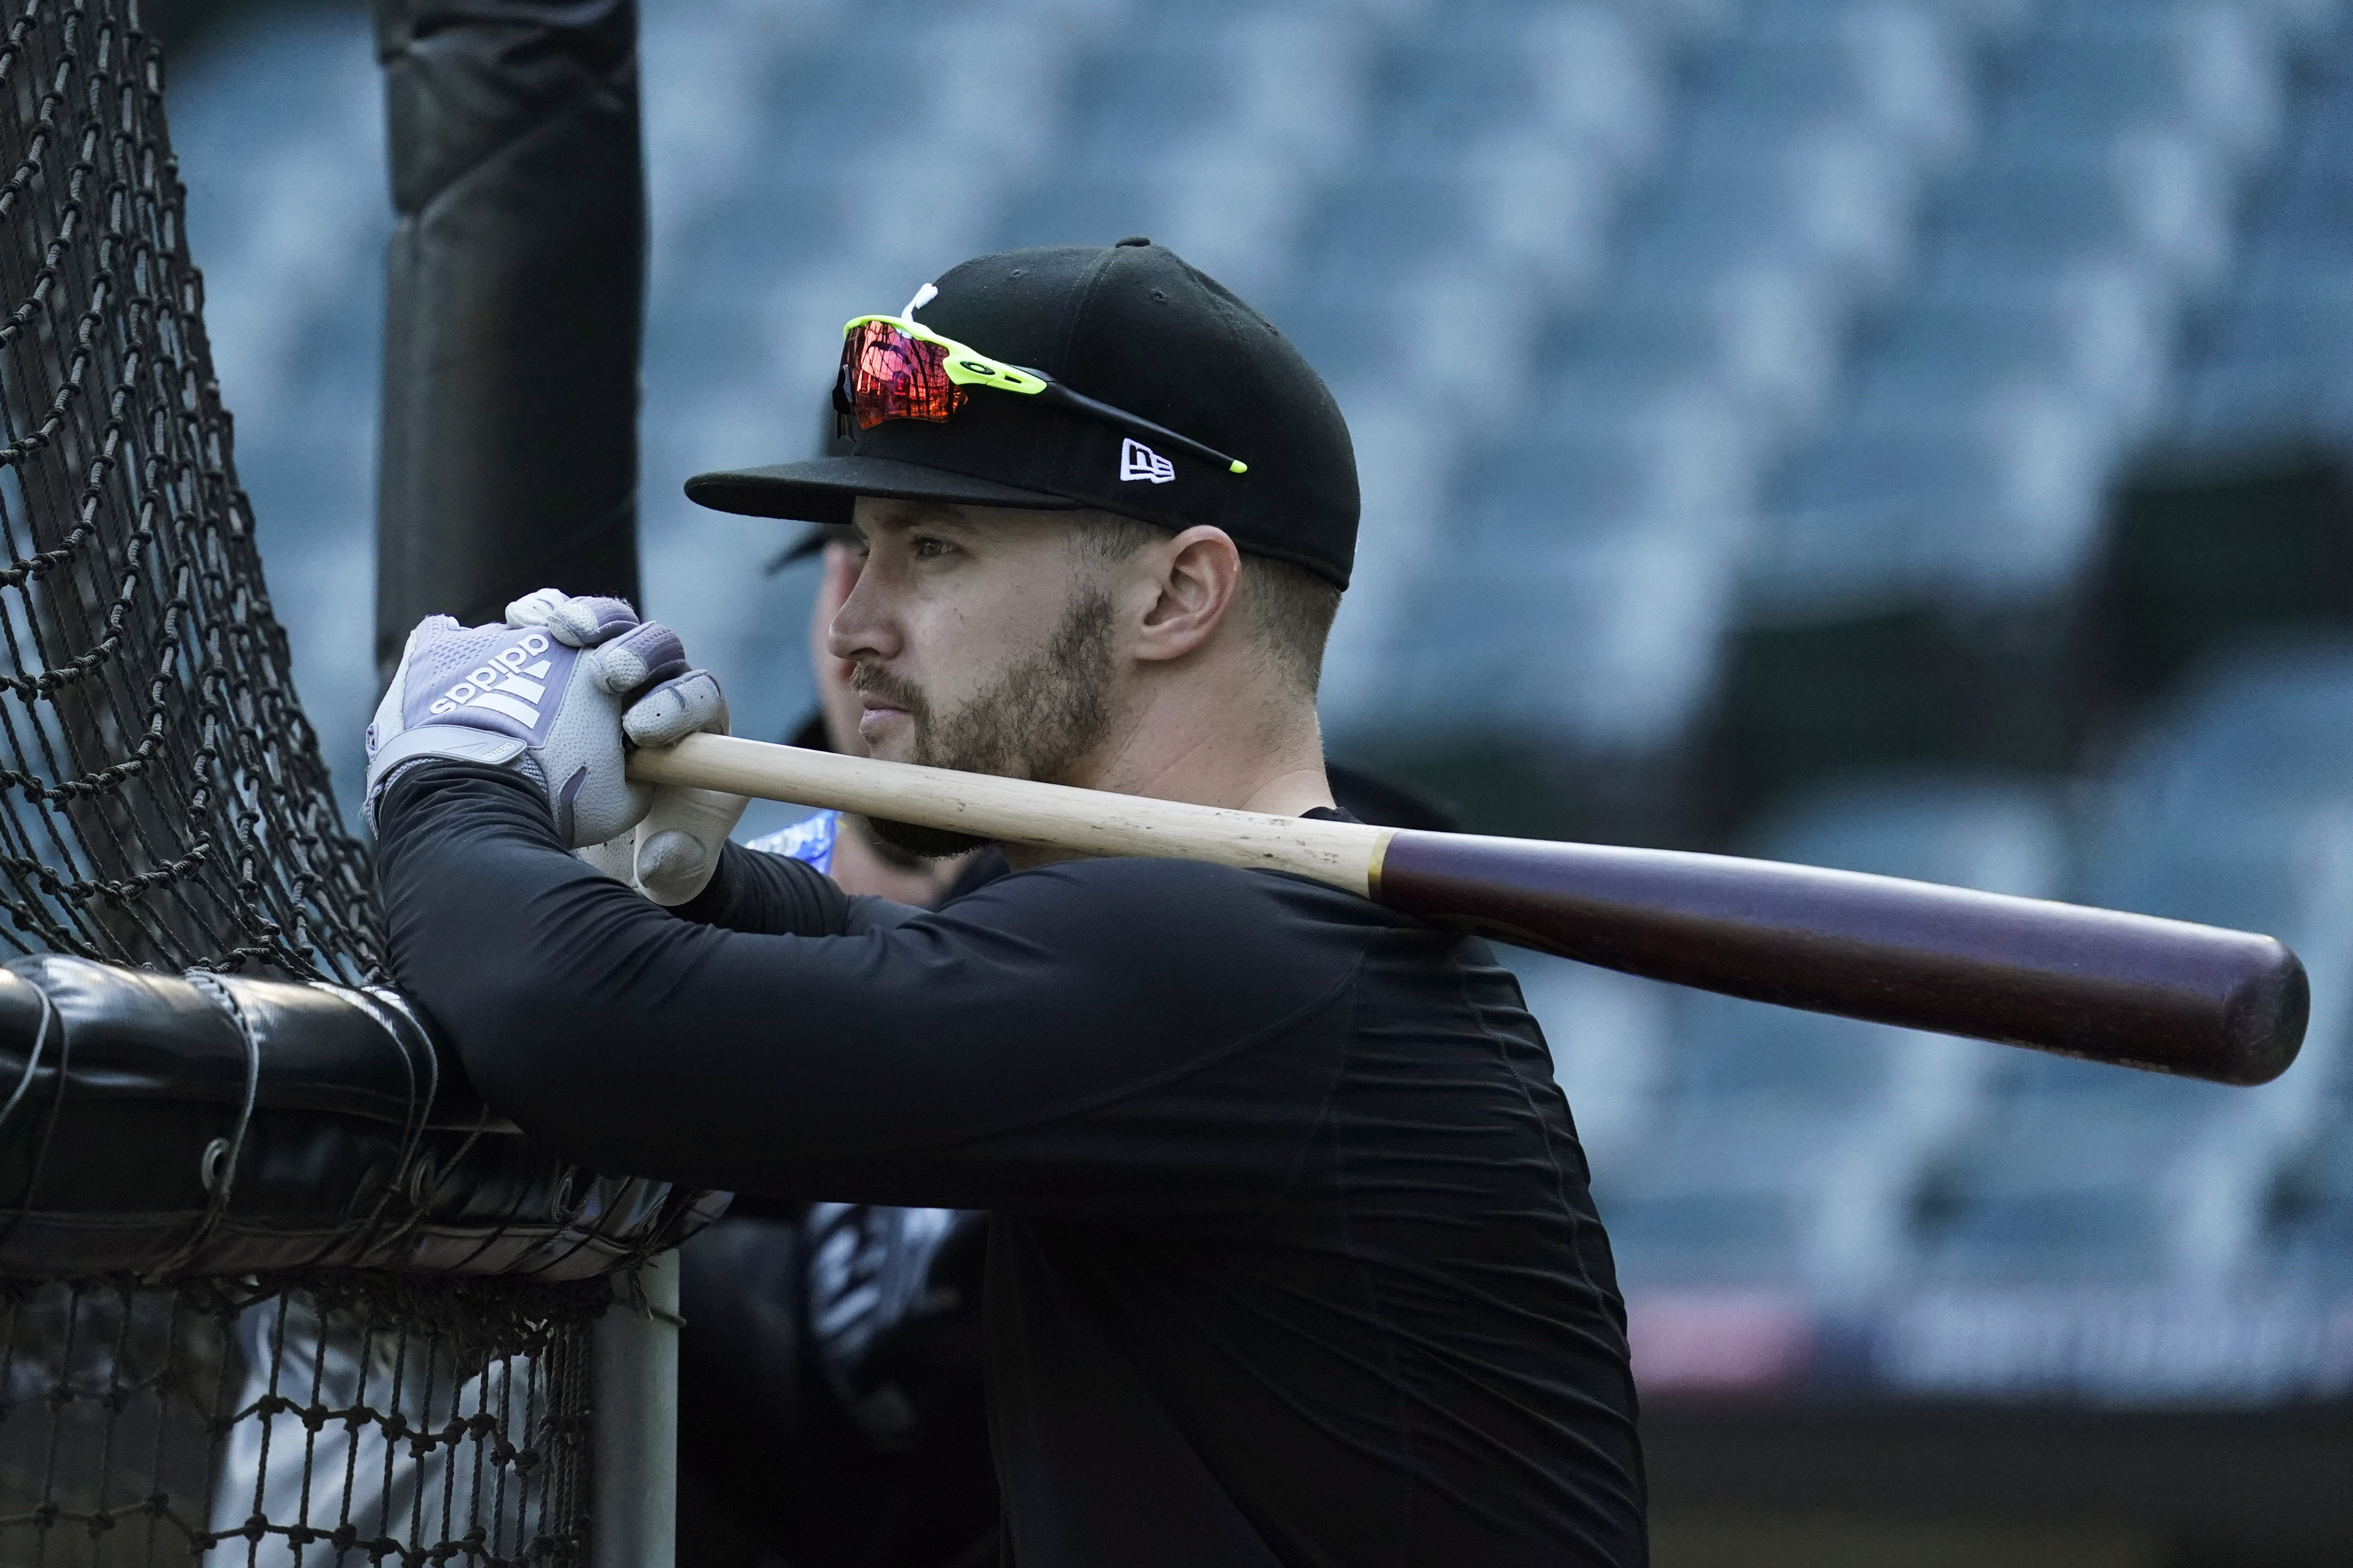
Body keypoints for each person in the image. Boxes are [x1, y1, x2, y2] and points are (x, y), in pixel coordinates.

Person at [367, 240, 1647, 1566]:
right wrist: (674, 876)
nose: (854, 624)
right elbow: (876, 951)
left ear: (1175, 593)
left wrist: (449, 784)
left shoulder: (1230, 948)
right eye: (853, 553)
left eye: (933, 549)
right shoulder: (1214, 940)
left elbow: (565, 1016)